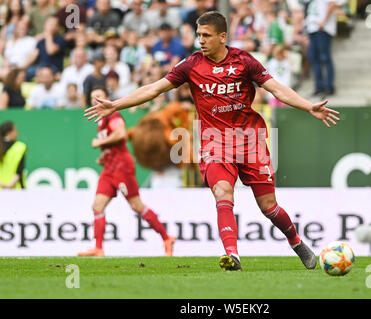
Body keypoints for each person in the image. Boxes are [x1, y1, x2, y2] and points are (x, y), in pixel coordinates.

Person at [85, 11, 340, 271]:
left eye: (206, 35)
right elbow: (154, 88)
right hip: (214, 143)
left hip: (250, 141)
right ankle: (232, 255)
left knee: (268, 207)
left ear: (222, 36)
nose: (201, 40)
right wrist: (115, 104)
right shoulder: (191, 64)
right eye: (198, 35)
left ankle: (297, 243)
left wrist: (309, 107)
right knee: (222, 191)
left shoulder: (244, 61)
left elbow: (276, 89)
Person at [78, 87, 176, 257]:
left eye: (99, 97)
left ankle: (166, 238)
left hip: (121, 167)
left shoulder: (113, 115)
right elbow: (113, 143)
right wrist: (104, 155)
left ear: (107, 98)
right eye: (93, 98)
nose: (96, 101)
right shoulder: (101, 121)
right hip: (109, 168)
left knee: (136, 205)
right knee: (97, 206)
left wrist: (99, 143)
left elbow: (121, 134)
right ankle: (99, 248)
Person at [305, 0, 339, 96]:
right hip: (313, 29)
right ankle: (319, 87)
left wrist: (324, 21)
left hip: (323, 29)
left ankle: (329, 87)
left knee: (325, 58)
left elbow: (332, 5)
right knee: (313, 58)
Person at [0, 121, 26, 189]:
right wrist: (9, 186)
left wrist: (2, 184)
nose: (17, 133)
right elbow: (19, 171)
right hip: (15, 190)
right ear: (9, 132)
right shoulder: (20, 147)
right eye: (15, 130)